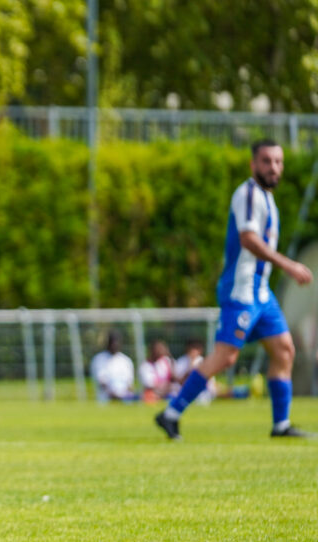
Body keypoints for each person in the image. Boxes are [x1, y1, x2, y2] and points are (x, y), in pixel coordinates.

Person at [155, 139, 313, 440]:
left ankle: (281, 424)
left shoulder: (267, 198)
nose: (273, 167)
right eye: (266, 161)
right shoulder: (248, 194)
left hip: (261, 293)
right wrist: (288, 265)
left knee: (284, 350)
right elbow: (249, 239)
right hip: (241, 290)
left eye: (278, 162)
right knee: (225, 356)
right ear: (253, 164)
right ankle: (170, 413)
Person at [89, 330, 135, 403]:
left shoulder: (126, 360)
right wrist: (113, 395)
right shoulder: (99, 359)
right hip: (106, 399)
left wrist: (126, 395)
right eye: (112, 343)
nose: (115, 345)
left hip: (125, 399)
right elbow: (101, 382)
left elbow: (129, 384)